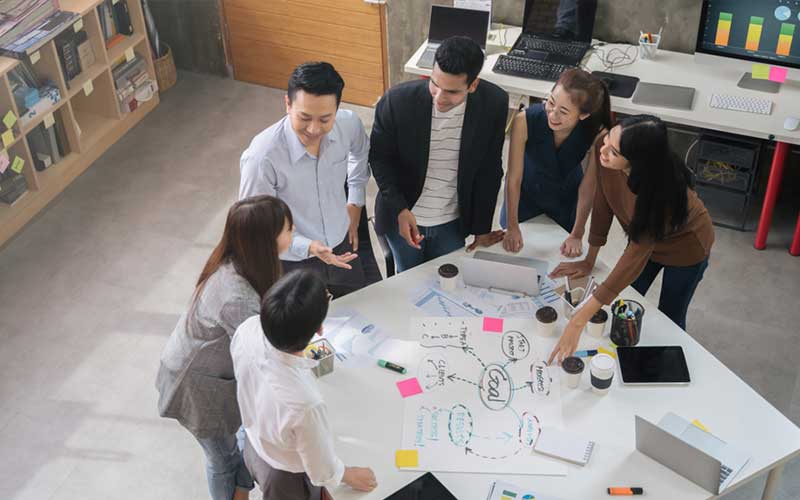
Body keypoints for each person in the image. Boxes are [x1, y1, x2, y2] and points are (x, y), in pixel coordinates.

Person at [156, 195, 294, 500]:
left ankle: (239, 493)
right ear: (265, 240)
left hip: (209, 374)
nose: (292, 233)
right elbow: (264, 355)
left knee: (236, 447)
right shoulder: (237, 298)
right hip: (196, 386)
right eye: (288, 229)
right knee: (222, 459)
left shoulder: (240, 263)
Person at [548, 115, 714, 364]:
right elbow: (603, 203)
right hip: (645, 236)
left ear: (637, 162)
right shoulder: (604, 150)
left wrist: (578, 320)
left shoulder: (661, 194)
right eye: (607, 139)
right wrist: (589, 260)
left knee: (670, 317)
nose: (603, 150)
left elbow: (635, 255)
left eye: (614, 152)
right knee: (627, 303)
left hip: (686, 248)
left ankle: (667, 366)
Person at [231, 269, 378, 499]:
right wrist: (348, 474)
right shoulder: (305, 404)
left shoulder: (246, 329)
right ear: (319, 329)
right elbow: (321, 469)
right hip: (286, 476)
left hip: (252, 444)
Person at [239, 61, 380, 298]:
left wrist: (355, 199)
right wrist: (309, 247)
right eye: (304, 117)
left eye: (325, 119)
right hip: (292, 262)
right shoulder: (261, 158)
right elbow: (256, 228)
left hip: (342, 243)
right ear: (287, 104)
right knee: (301, 321)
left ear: (337, 109)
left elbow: (360, 151)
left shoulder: (348, 124)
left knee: (359, 306)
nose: (314, 129)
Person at [370, 36, 509, 272]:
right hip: (402, 215)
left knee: (448, 281)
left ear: (473, 85)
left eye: (452, 92)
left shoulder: (493, 103)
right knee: (410, 282)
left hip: (452, 222)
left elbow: (490, 169)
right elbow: (379, 159)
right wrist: (400, 209)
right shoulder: (396, 101)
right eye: (435, 84)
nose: (439, 98)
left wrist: (481, 228)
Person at [501, 68, 611, 257]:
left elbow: (588, 188)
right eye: (551, 102)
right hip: (525, 194)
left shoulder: (598, 134)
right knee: (515, 254)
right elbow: (513, 177)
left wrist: (578, 233)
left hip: (565, 197)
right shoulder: (525, 120)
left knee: (557, 256)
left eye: (564, 112)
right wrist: (512, 226)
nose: (552, 115)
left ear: (584, 115)